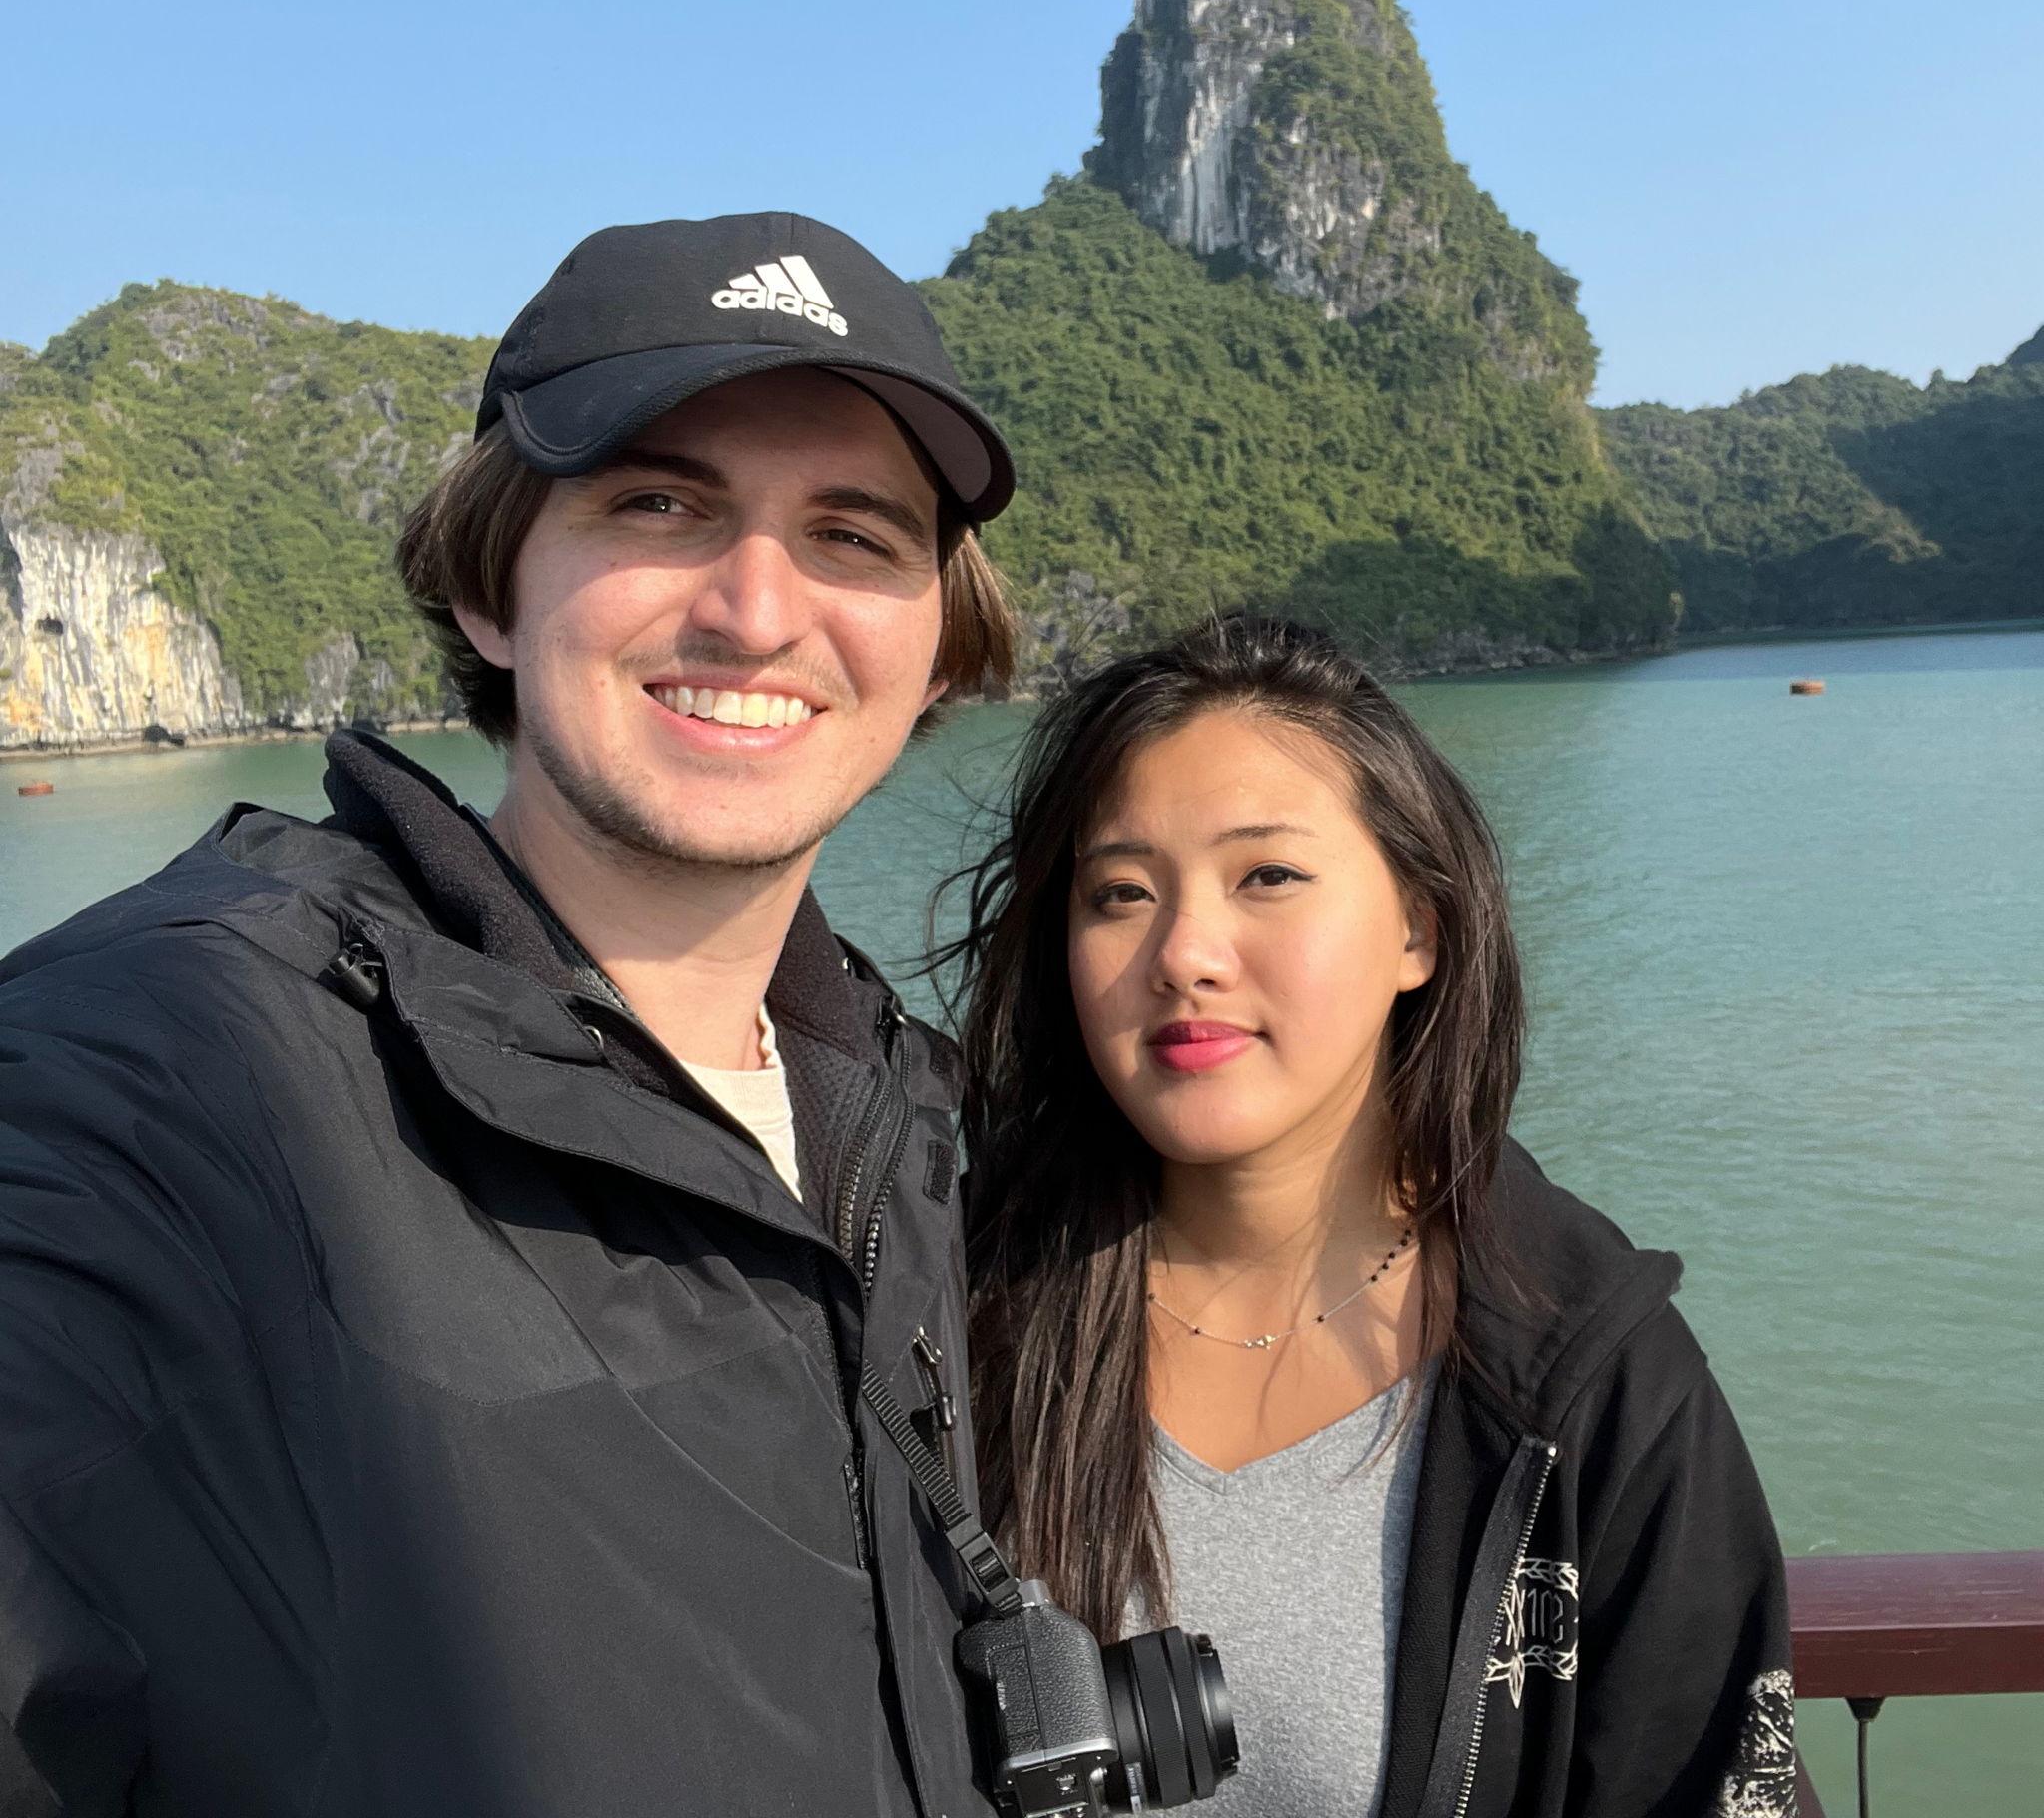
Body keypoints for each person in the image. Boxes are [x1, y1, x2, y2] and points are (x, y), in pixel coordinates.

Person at [0, 213, 1022, 1817]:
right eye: (658, 504)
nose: (757, 610)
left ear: (933, 638)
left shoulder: (889, 1112)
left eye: (853, 534)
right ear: (492, 585)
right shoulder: (162, 1071)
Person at [950, 616, 1798, 1818]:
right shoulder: (949, 1308)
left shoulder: (1587, 1380)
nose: (1185, 951)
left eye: (1268, 875)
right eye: (1120, 891)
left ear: (1419, 927)